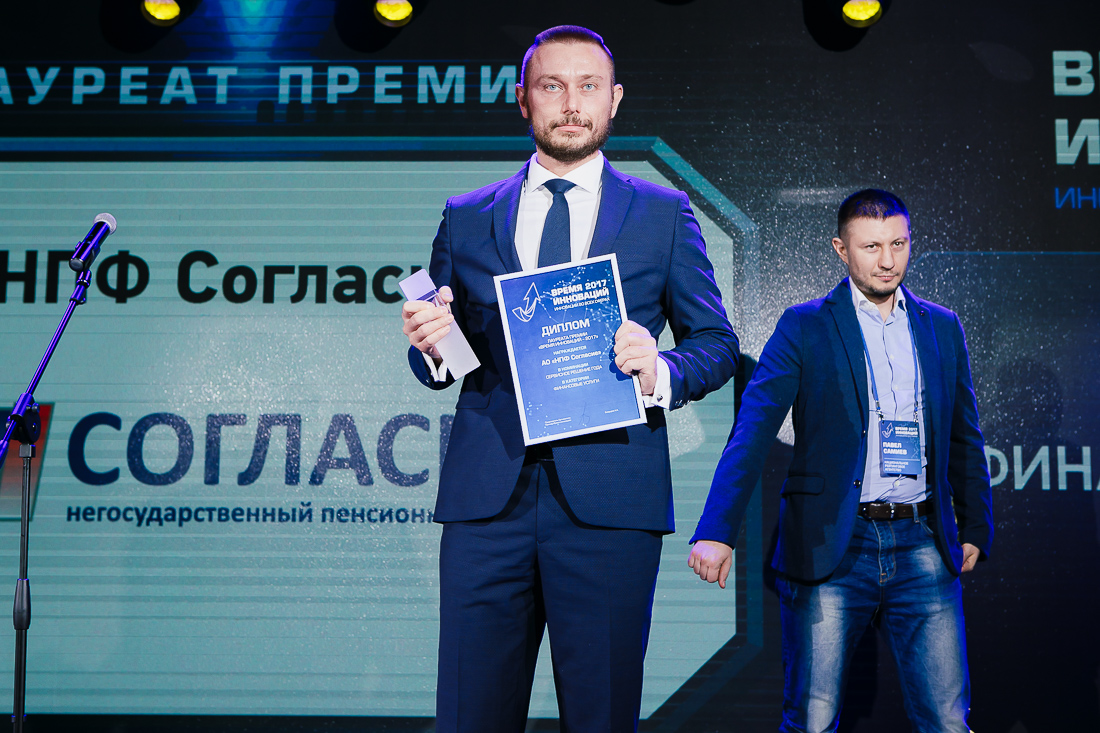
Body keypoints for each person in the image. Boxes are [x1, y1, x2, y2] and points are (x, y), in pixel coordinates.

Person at [400, 25, 738, 733]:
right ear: (523, 99)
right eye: (552, 86)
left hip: (610, 501)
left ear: (615, 99)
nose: (572, 103)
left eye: (589, 86)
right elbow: (448, 354)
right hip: (487, 504)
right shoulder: (467, 216)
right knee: (468, 717)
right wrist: (433, 344)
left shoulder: (662, 213)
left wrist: (660, 370)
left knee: (601, 717)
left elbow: (716, 344)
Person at [688, 189, 993, 732]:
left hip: (924, 542)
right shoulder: (804, 325)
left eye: (898, 244)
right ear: (841, 249)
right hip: (833, 542)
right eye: (871, 246)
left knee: (948, 722)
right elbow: (752, 432)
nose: (887, 260)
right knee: (813, 720)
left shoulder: (942, 326)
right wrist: (717, 530)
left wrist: (974, 525)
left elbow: (964, 436)